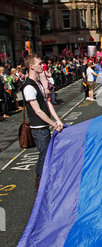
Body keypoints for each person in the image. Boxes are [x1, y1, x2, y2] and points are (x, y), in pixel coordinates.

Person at [23, 54, 64, 191]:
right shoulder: (28, 87)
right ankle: (40, 184)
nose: (42, 66)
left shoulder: (38, 84)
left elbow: (47, 103)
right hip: (38, 128)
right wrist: (54, 125)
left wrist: (57, 120)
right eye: (40, 63)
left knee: (47, 154)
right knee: (45, 155)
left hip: (44, 126)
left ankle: (43, 182)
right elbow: (38, 111)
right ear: (31, 66)